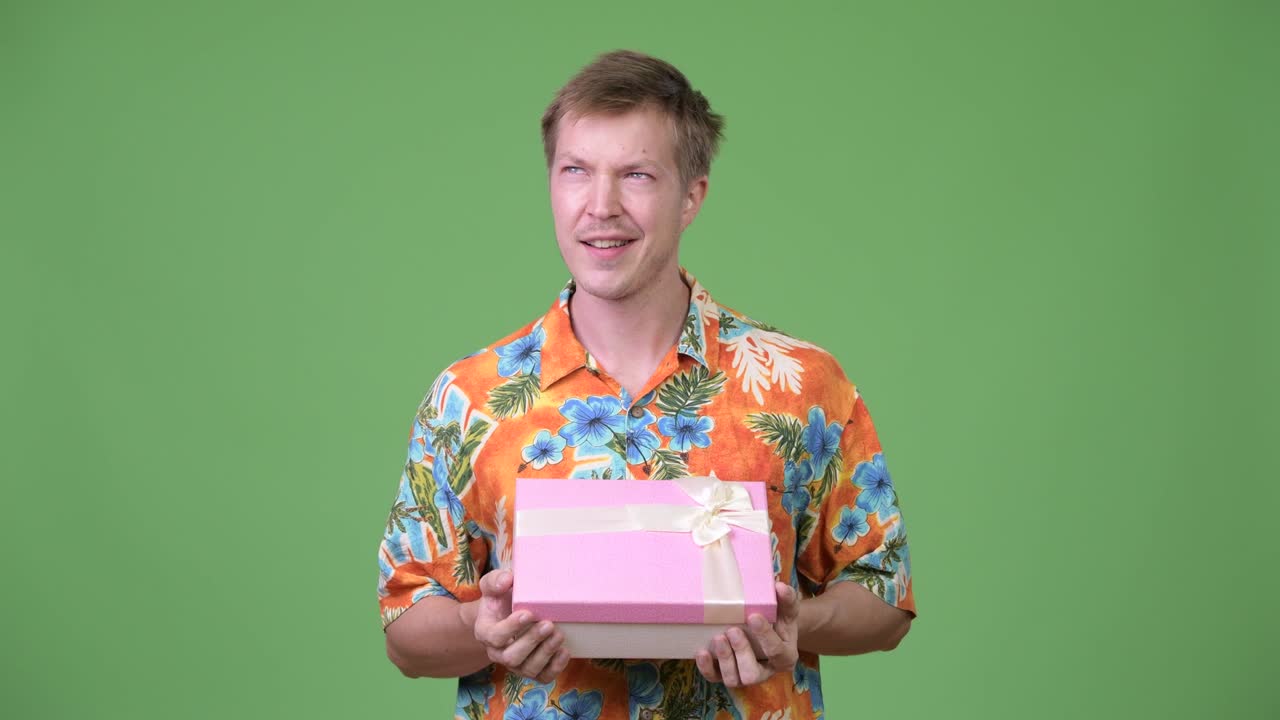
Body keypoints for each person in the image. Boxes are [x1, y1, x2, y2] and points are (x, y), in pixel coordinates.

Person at [376, 49, 916, 719]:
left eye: (636, 175)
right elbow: (404, 629)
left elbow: (885, 598)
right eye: (576, 171)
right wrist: (477, 628)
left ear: (692, 196)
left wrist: (796, 623)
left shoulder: (802, 384)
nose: (600, 207)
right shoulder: (469, 398)